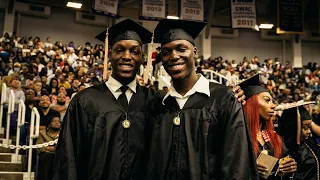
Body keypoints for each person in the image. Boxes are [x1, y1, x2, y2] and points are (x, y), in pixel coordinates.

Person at [146, 19, 258, 180]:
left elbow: (236, 163)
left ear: (195, 52)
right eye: (166, 52)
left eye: (181, 49)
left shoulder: (223, 99)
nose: (174, 56)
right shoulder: (158, 105)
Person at [52, 19, 158, 180]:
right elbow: (68, 156)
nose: (127, 57)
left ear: (143, 58)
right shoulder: (85, 100)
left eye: (135, 52)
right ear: (110, 55)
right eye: (119, 50)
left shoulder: (153, 101)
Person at [240, 74, 297, 179]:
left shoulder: (274, 138)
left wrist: (289, 169)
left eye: (272, 101)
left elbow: (284, 165)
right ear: (252, 103)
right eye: (267, 100)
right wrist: (249, 169)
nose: (273, 105)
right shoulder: (238, 137)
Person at [277, 101, 319, 180]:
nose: (309, 131)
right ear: (293, 127)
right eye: (305, 127)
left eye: (310, 127)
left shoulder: (309, 144)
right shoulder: (281, 148)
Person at [36, 115, 61, 180]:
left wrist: (49, 148)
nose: (57, 123)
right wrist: (53, 149)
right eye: (54, 121)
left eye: (58, 121)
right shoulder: (42, 133)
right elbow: (39, 146)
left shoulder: (63, 133)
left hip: (60, 155)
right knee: (47, 157)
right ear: (49, 124)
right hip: (47, 156)